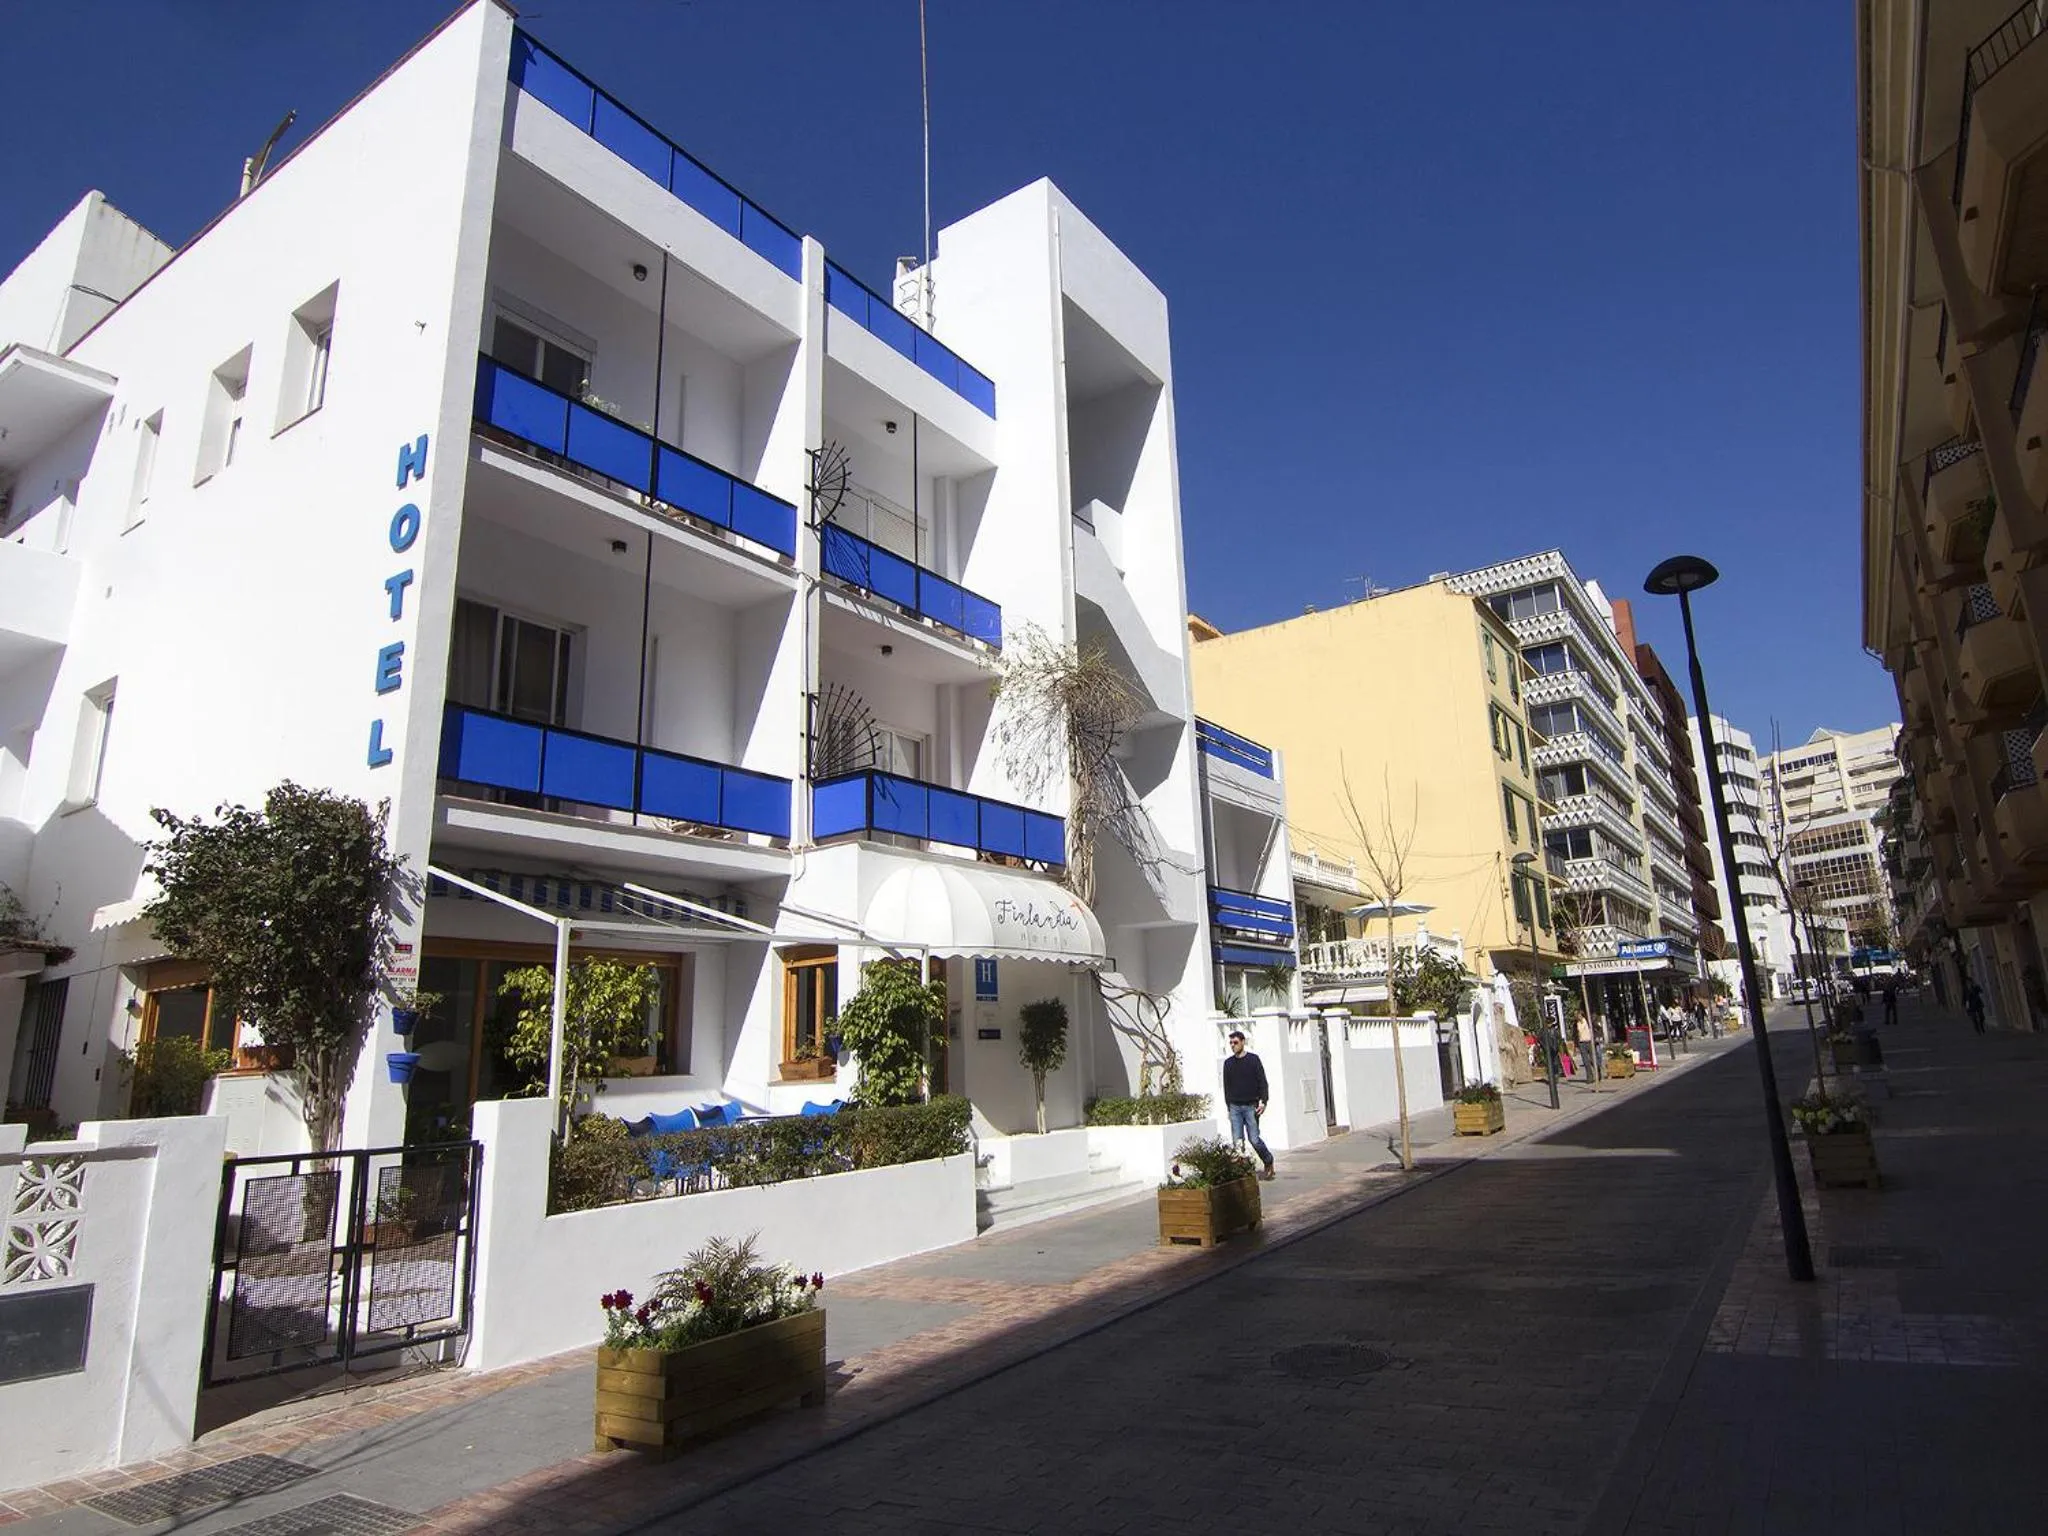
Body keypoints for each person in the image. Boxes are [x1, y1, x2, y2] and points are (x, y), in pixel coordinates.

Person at [1222, 1029, 1277, 1180]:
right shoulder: (1228, 1063)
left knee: (1254, 1139)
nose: (1233, 1045)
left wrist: (1263, 1101)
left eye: (1236, 1042)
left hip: (1251, 1106)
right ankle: (1242, 1173)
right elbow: (1227, 1087)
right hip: (1235, 1107)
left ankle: (1268, 1160)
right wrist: (1228, 1107)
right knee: (1238, 1143)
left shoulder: (1253, 1060)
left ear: (1242, 1042)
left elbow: (1262, 1082)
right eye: (1231, 1043)